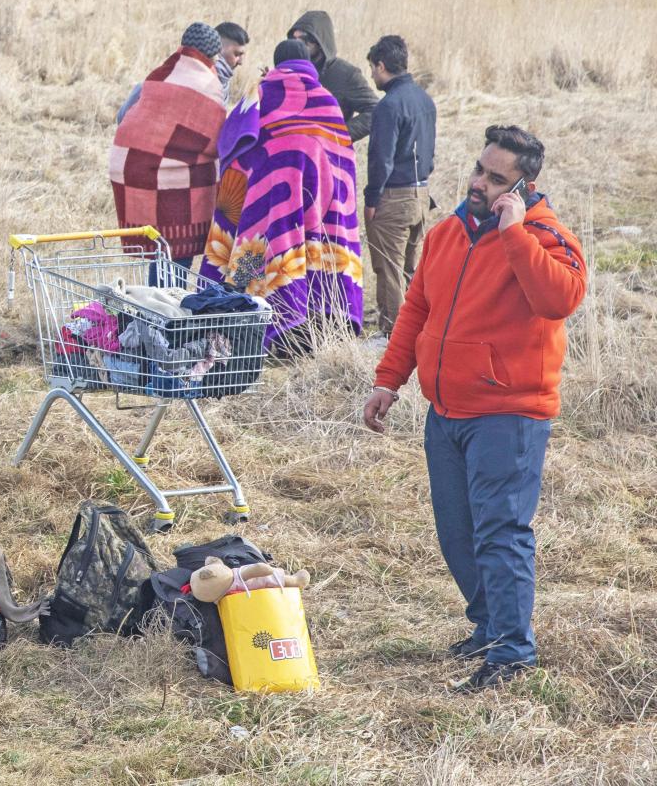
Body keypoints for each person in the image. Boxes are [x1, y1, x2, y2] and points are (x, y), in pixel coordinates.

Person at [364, 126, 585, 693]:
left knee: (501, 533)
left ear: (523, 186)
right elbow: (415, 309)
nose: (479, 183)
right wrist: (389, 380)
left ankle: (512, 652)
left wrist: (515, 234)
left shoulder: (545, 237)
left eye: (496, 178)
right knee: (458, 534)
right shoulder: (447, 232)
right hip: (447, 411)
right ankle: (488, 627)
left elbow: (559, 300)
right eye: (479, 170)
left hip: (509, 414)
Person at [199, 40, 365, 353]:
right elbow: (343, 154)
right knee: (316, 257)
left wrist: (246, 179)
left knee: (254, 254)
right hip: (322, 203)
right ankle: (312, 336)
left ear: (277, 63)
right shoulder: (326, 98)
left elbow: (233, 141)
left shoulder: (260, 92)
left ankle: (249, 330)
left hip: (271, 199)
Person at [109, 23, 232, 277]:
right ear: (211, 55)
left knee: (161, 248)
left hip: (135, 168)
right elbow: (216, 140)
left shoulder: (161, 74)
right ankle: (164, 312)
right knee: (175, 252)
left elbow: (126, 116)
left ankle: (157, 306)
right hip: (175, 181)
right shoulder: (206, 84)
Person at [361, 35, 436, 336]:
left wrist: (371, 199)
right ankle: (415, 330)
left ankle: (393, 335)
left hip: (394, 196)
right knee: (409, 270)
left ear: (381, 66)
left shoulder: (388, 106)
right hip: (421, 193)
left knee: (388, 269)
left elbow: (382, 159)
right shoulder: (424, 99)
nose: (371, 75)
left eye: (372, 68)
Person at [116, 20, 247, 122]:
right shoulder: (208, 84)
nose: (241, 62)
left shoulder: (163, 73)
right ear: (218, 51)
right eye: (237, 54)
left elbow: (122, 117)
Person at [288, 11, 378, 140]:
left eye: (303, 39)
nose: (298, 45)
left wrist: (337, 136)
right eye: (294, 39)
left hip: (327, 156)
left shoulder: (346, 74)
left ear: (319, 41)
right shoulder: (290, 68)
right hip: (291, 152)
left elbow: (375, 110)